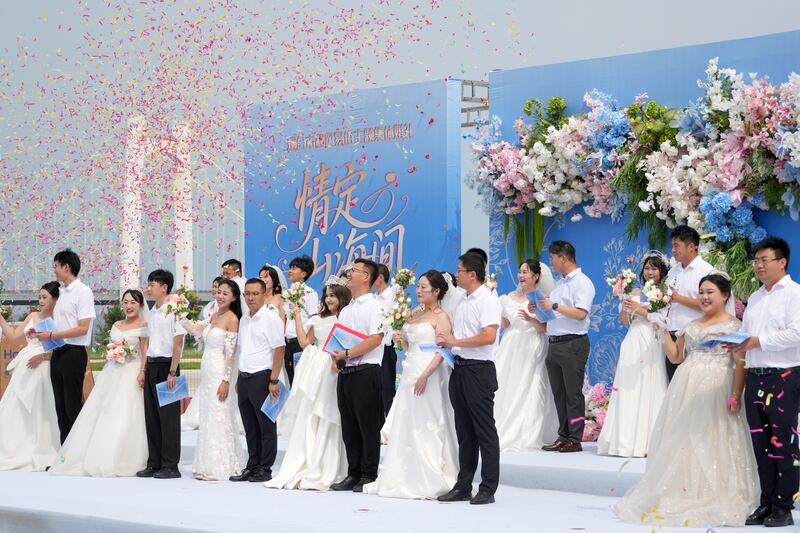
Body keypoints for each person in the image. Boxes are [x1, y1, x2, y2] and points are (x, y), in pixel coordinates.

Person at [615, 273, 758, 527]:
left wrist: (736, 394)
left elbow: (740, 363)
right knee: (685, 437)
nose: (704, 297)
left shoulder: (736, 327)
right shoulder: (691, 325)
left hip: (717, 386)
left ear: (725, 296)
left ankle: (714, 490)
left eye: (710, 292)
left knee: (715, 437)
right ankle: (684, 488)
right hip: (686, 385)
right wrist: (661, 330)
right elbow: (676, 357)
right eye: (701, 292)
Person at [365, 270, 458, 499]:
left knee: (427, 421)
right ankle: (404, 472)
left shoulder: (441, 317)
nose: (418, 291)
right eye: (418, 287)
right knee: (407, 420)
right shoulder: (415, 313)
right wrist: (403, 340)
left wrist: (426, 374)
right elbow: (410, 345)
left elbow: (443, 349)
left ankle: (430, 474)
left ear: (437, 291)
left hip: (429, 372)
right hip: (410, 370)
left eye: (424, 287)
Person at [728, 237, 800, 527]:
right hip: (755, 377)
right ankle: (767, 502)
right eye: (756, 260)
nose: (758, 265)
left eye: (764, 260)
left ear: (782, 262)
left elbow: (797, 333)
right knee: (760, 444)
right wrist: (737, 345)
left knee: (783, 443)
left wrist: (758, 341)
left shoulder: (794, 294)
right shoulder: (756, 298)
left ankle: (784, 506)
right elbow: (746, 336)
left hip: (783, 376)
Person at [49, 289, 149, 477]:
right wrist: (111, 355)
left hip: (132, 372)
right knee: (102, 411)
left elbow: (145, 351)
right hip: (112, 371)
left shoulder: (144, 325)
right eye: (126, 302)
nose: (129, 306)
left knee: (126, 413)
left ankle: (124, 457)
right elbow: (111, 346)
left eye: (133, 302)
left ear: (141, 305)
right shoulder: (117, 325)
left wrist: (142, 371)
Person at [266, 277, 350, 490]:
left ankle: (335, 463)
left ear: (342, 297)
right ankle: (312, 460)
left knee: (333, 413)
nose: (330, 299)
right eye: (327, 295)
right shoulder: (318, 319)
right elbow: (304, 342)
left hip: (337, 367)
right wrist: (296, 314)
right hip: (318, 368)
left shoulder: (348, 318)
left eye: (333, 295)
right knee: (313, 411)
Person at [436, 252, 502, 505]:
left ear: (472, 274)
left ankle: (487, 487)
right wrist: (447, 343)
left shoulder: (487, 299)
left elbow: (488, 336)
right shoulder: (462, 300)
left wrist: (456, 341)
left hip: (479, 369)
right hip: (460, 368)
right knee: (464, 431)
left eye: (460, 270)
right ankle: (463, 485)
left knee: (484, 430)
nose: (456, 274)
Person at [597, 251, 668, 458]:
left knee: (651, 383)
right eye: (647, 268)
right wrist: (623, 300)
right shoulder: (635, 289)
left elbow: (662, 319)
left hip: (654, 339)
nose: (650, 272)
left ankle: (648, 441)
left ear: (662, 270)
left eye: (654, 268)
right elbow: (624, 320)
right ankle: (625, 439)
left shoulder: (665, 292)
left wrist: (641, 309)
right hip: (634, 338)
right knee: (629, 386)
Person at [180, 279, 246, 481]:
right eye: (218, 292)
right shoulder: (214, 316)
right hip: (207, 370)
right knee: (207, 414)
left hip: (220, 372)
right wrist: (179, 313)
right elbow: (196, 329)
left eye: (225, 293)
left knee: (220, 413)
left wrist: (226, 380)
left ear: (234, 297)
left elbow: (231, 353)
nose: (220, 296)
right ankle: (204, 462)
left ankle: (220, 464)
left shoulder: (232, 319)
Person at [329, 258, 385, 493]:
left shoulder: (376, 306)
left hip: (367, 372)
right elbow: (339, 339)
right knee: (349, 425)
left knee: (368, 425)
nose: (348, 273)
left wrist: (348, 353)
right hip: (346, 372)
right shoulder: (347, 309)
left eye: (354, 270)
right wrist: (336, 357)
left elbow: (376, 338)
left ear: (366, 277)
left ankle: (368, 473)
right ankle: (353, 472)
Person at [30, 250, 96, 444]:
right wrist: (40, 333)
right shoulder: (62, 292)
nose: (55, 271)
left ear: (66, 267)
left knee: (72, 405)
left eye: (56, 266)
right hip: (58, 353)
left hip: (74, 354)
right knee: (60, 407)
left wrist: (51, 335)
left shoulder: (83, 291)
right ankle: (64, 455)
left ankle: (77, 452)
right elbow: (60, 325)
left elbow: (83, 329)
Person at [536, 241, 595, 453]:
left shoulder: (582, 282)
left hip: (573, 343)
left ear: (563, 257)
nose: (551, 262)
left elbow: (580, 314)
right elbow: (555, 314)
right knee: (559, 394)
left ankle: (575, 438)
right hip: (555, 342)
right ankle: (563, 435)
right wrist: (540, 308)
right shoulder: (559, 285)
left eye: (552, 257)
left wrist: (553, 305)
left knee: (573, 393)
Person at [495, 259, 558, 452]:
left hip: (534, 344)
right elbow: (505, 323)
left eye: (525, 272)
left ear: (536, 276)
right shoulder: (507, 298)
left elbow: (546, 327)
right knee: (508, 385)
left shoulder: (542, 299)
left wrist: (531, 319)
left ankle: (527, 431)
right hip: (512, 344)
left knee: (531, 385)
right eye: (520, 271)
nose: (521, 276)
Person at [229, 278, 286, 483]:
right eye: (247, 294)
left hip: (263, 377)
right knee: (250, 426)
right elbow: (243, 350)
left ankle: (265, 467)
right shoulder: (244, 319)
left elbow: (279, 348)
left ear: (263, 294)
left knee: (266, 426)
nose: (251, 297)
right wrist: (237, 378)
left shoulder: (271, 318)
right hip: (244, 378)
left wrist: (274, 380)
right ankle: (252, 465)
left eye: (255, 293)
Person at [0, 282, 61, 471]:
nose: (41, 301)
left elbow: (59, 349)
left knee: (39, 408)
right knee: (15, 405)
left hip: (43, 366)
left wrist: (41, 357)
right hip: (25, 366)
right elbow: (13, 335)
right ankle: (14, 446)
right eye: (40, 297)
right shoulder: (33, 315)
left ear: (55, 299)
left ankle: (41, 447)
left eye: (45, 297)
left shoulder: (58, 319)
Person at [137, 269, 186, 480]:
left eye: (152, 285)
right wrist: (144, 368)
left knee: (169, 419)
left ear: (164, 287)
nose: (148, 288)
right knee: (152, 417)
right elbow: (147, 342)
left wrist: (173, 371)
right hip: (153, 366)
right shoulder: (153, 311)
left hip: (169, 367)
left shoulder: (175, 309)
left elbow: (178, 342)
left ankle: (170, 464)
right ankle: (154, 462)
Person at [665, 225, 714, 381]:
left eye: (676, 245)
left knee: (691, 387)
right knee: (673, 387)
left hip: (694, 339)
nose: (673, 249)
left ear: (692, 247)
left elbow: (713, 306)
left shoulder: (707, 271)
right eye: (672, 245)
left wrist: (678, 298)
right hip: (672, 336)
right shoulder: (673, 271)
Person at [181, 276, 225, 432]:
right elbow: (197, 329)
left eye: (220, 290)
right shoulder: (209, 309)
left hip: (221, 360)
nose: (216, 292)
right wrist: (181, 316)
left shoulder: (230, 316)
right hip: (208, 359)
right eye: (214, 287)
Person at [283, 255, 319, 385]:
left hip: (301, 344)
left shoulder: (310, 293)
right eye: (290, 268)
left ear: (304, 273)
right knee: (292, 382)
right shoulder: (287, 293)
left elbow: (314, 319)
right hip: (288, 343)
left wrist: (307, 344)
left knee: (301, 383)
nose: (290, 271)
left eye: (294, 268)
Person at [373, 263, 399, 417]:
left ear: (380, 277)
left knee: (387, 387)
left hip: (386, 347)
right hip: (372, 347)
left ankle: (389, 424)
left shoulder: (394, 295)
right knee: (374, 388)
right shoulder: (373, 298)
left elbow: (396, 321)